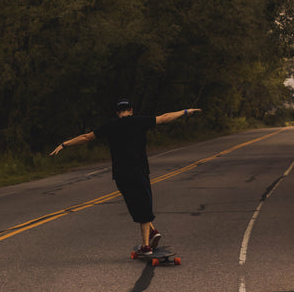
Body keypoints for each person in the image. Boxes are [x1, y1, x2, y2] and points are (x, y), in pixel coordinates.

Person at [50, 99, 201, 255]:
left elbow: (86, 137)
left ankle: (152, 232)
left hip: (121, 174)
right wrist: (185, 112)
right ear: (131, 110)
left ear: (117, 112)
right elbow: (164, 117)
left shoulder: (110, 125)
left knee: (134, 205)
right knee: (143, 204)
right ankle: (146, 246)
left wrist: (64, 144)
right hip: (139, 171)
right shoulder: (139, 121)